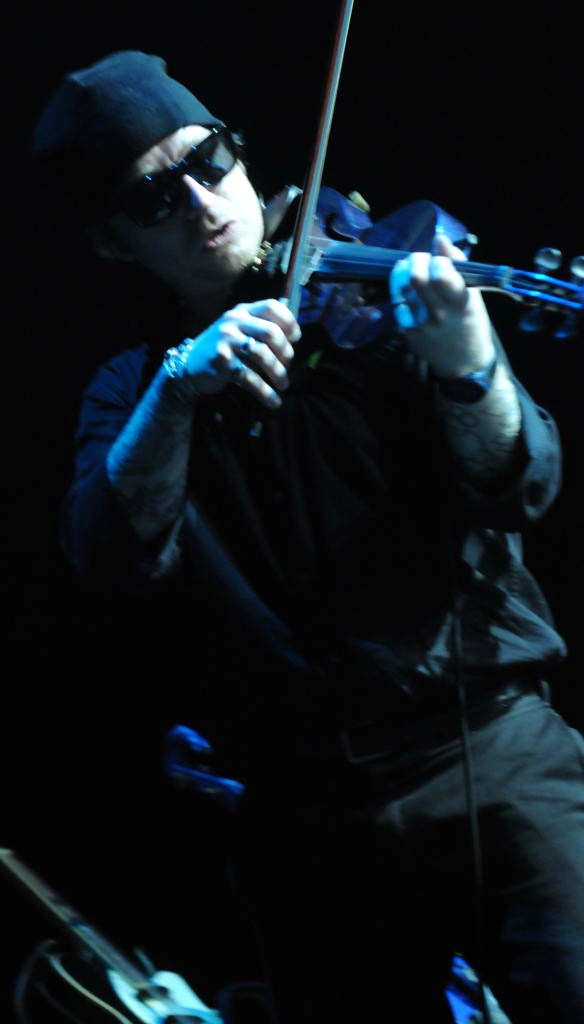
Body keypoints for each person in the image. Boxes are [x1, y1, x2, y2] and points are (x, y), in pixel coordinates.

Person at [32, 49, 584, 1023]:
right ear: (115, 244)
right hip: (304, 815)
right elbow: (109, 560)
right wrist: (179, 390)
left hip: (488, 750)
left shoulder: (383, 301)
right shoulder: (133, 392)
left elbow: (520, 485)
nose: (201, 202)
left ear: (239, 154)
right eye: (153, 198)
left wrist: (468, 365)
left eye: (208, 160)